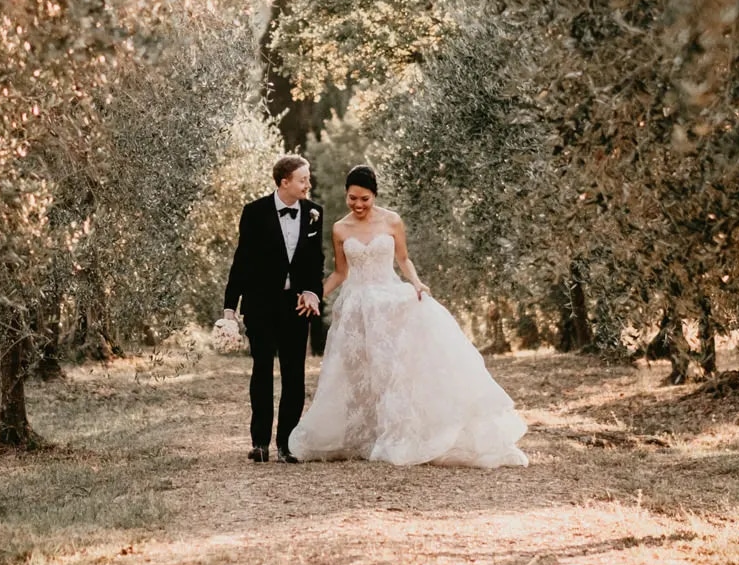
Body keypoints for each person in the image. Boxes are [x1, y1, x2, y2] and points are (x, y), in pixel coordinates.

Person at [287, 165, 528, 468]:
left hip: (388, 301)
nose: (358, 205)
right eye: (352, 198)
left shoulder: (392, 221)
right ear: (345, 195)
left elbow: (403, 259)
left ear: (374, 195)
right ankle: (368, 433)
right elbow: (340, 272)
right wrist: (314, 294)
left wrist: (415, 282)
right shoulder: (339, 228)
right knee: (362, 374)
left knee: (394, 371)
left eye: (364, 199)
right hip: (357, 308)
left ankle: (401, 432)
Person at [221, 154, 324, 462]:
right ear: (285, 182)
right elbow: (242, 260)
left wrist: (312, 293)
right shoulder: (254, 212)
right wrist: (230, 307)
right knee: (262, 370)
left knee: (295, 375)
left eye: (308, 179)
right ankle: (260, 443)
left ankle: (287, 444)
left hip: (297, 306)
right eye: (303, 179)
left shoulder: (314, 213)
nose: (309, 184)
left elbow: (315, 261)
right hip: (261, 304)